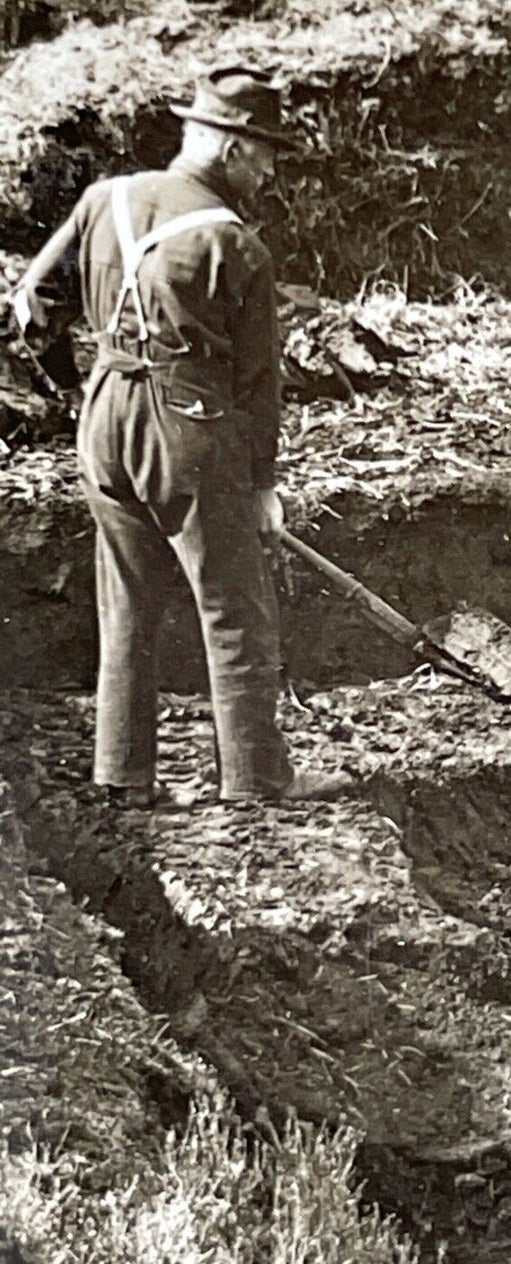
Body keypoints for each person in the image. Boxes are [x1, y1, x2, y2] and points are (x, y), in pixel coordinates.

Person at [7, 67, 348, 807]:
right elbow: (260, 388)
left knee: (126, 600)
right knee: (234, 605)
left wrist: (74, 385)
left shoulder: (106, 199)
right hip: (189, 430)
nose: (271, 170)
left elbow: (30, 302)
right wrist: (263, 487)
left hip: (104, 417)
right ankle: (256, 779)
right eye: (266, 154)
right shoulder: (238, 247)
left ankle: (123, 775)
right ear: (230, 148)